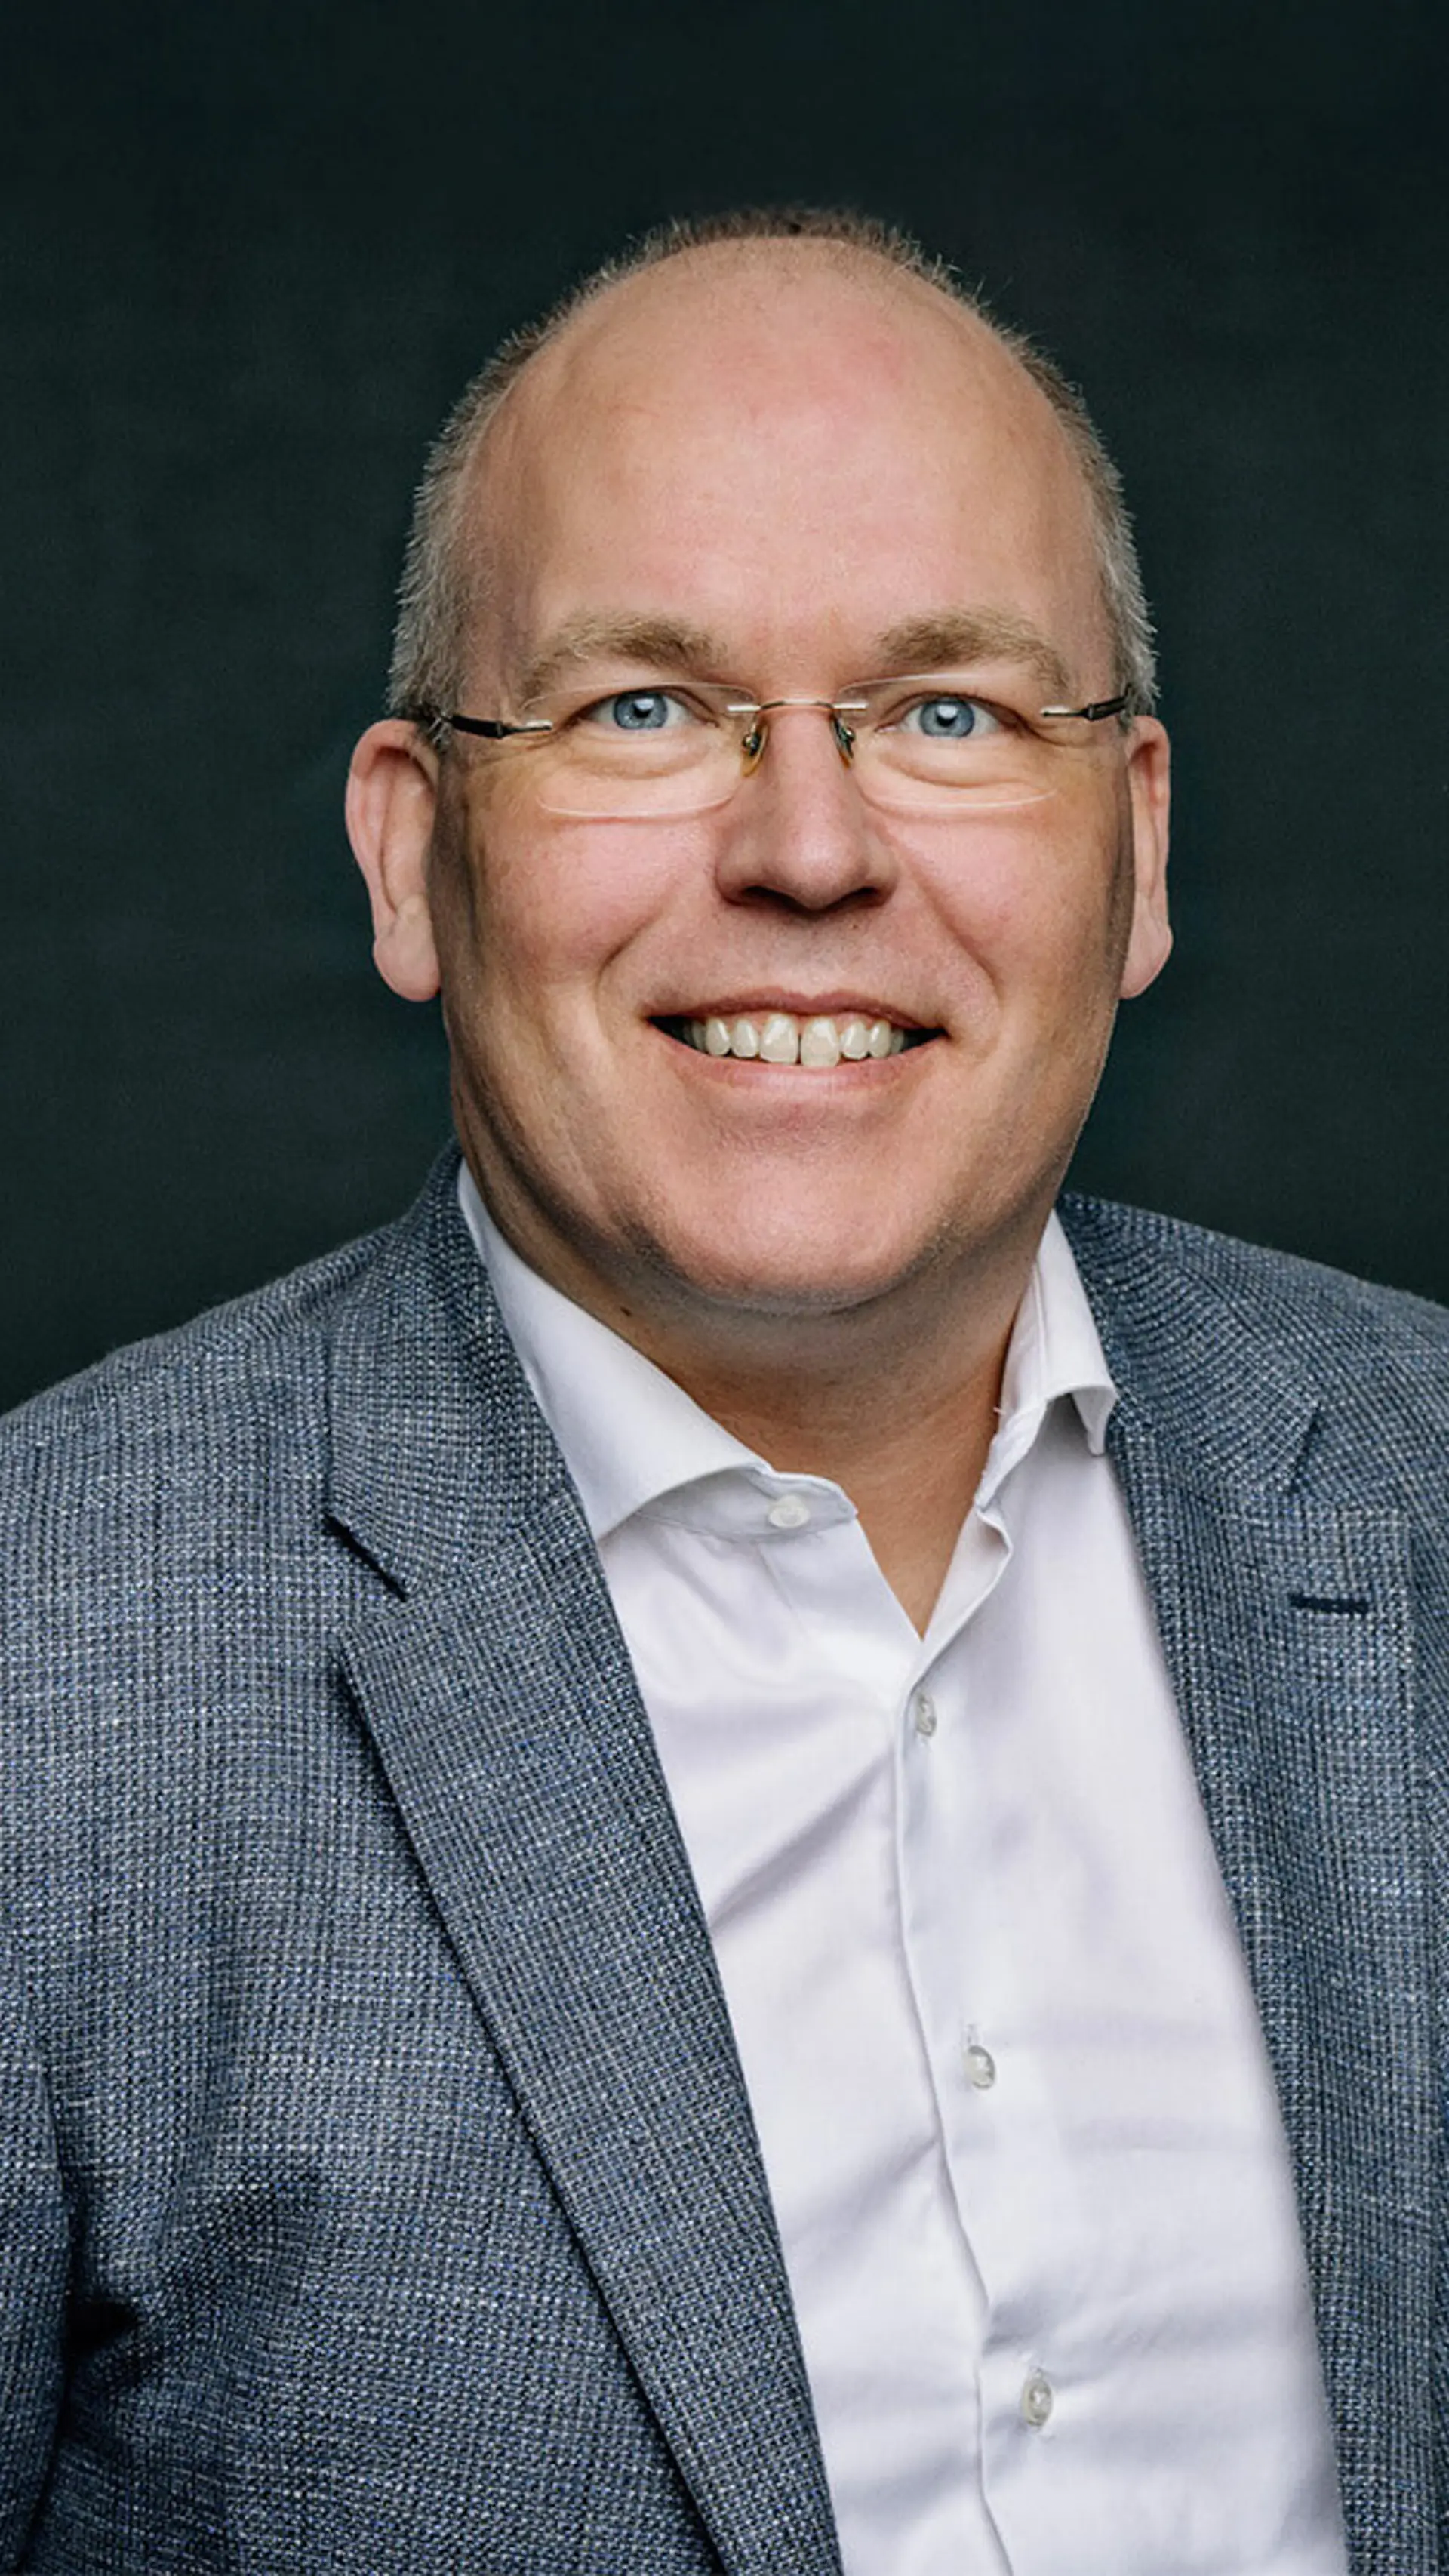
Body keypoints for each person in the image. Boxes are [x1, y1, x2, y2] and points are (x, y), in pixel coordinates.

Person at [0, 207, 1442, 2576]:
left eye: (950, 710)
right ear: (414, 853)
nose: (807, 848)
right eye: (644, 709)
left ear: (1139, 844)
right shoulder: (50, 1666)